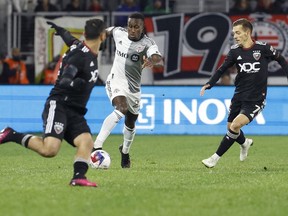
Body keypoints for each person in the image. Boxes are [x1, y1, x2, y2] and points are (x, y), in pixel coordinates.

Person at [0, 18, 107, 187]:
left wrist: (63, 32)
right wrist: (76, 83)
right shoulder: (80, 57)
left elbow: (71, 41)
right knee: (49, 150)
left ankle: (79, 177)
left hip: (76, 110)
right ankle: (11, 134)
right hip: (60, 106)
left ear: (85, 34)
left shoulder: (80, 48)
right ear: (103, 36)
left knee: (86, 142)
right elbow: (65, 80)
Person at [200, 18, 288, 168]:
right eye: (234, 33)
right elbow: (222, 69)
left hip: (256, 99)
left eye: (238, 33)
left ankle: (214, 159)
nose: (235, 36)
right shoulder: (235, 51)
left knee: (235, 126)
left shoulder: (263, 48)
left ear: (247, 33)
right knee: (231, 128)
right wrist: (210, 83)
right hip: (239, 95)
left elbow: (281, 60)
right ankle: (245, 143)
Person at [94, 12, 163, 168]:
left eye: (136, 27)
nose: (132, 30)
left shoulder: (147, 43)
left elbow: (158, 58)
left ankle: (124, 152)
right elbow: (108, 31)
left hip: (133, 89)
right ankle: (97, 145)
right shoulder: (120, 32)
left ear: (142, 27)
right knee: (121, 109)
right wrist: (99, 39)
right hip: (115, 81)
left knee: (131, 122)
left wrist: (152, 60)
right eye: (130, 26)